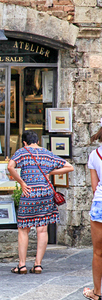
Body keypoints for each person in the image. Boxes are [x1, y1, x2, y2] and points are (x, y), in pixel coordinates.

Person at [7, 130, 74, 275]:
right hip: (45, 193)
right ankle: (38, 265)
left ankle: (22, 265)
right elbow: (69, 167)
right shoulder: (47, 153)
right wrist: (51, 173)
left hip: (29, 193)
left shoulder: (22, 152)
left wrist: (22, 183)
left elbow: (10, 166)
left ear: (24, 142)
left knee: (23, 229)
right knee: (42, 229)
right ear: (37, 141)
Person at [83, 120, 102, 300]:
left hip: (100, 204)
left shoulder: (94, 154)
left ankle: (96, 292)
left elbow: (94, 187)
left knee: (98, 252)